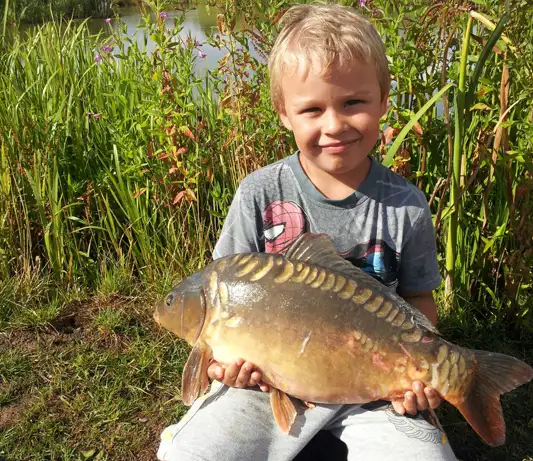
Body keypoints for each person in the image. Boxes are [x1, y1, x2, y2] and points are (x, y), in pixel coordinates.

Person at [157, 3, 458, 460]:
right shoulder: (258, 193)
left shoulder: (405, 205)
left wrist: (420, 374)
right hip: (267, 388)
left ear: (383, 99)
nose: (334, 125)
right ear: (283, 112)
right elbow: (228, 322)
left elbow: (420, 302)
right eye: (312, 109)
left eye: (353, 102)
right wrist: (225, 366)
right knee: (192, 454)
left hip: (376, 390)